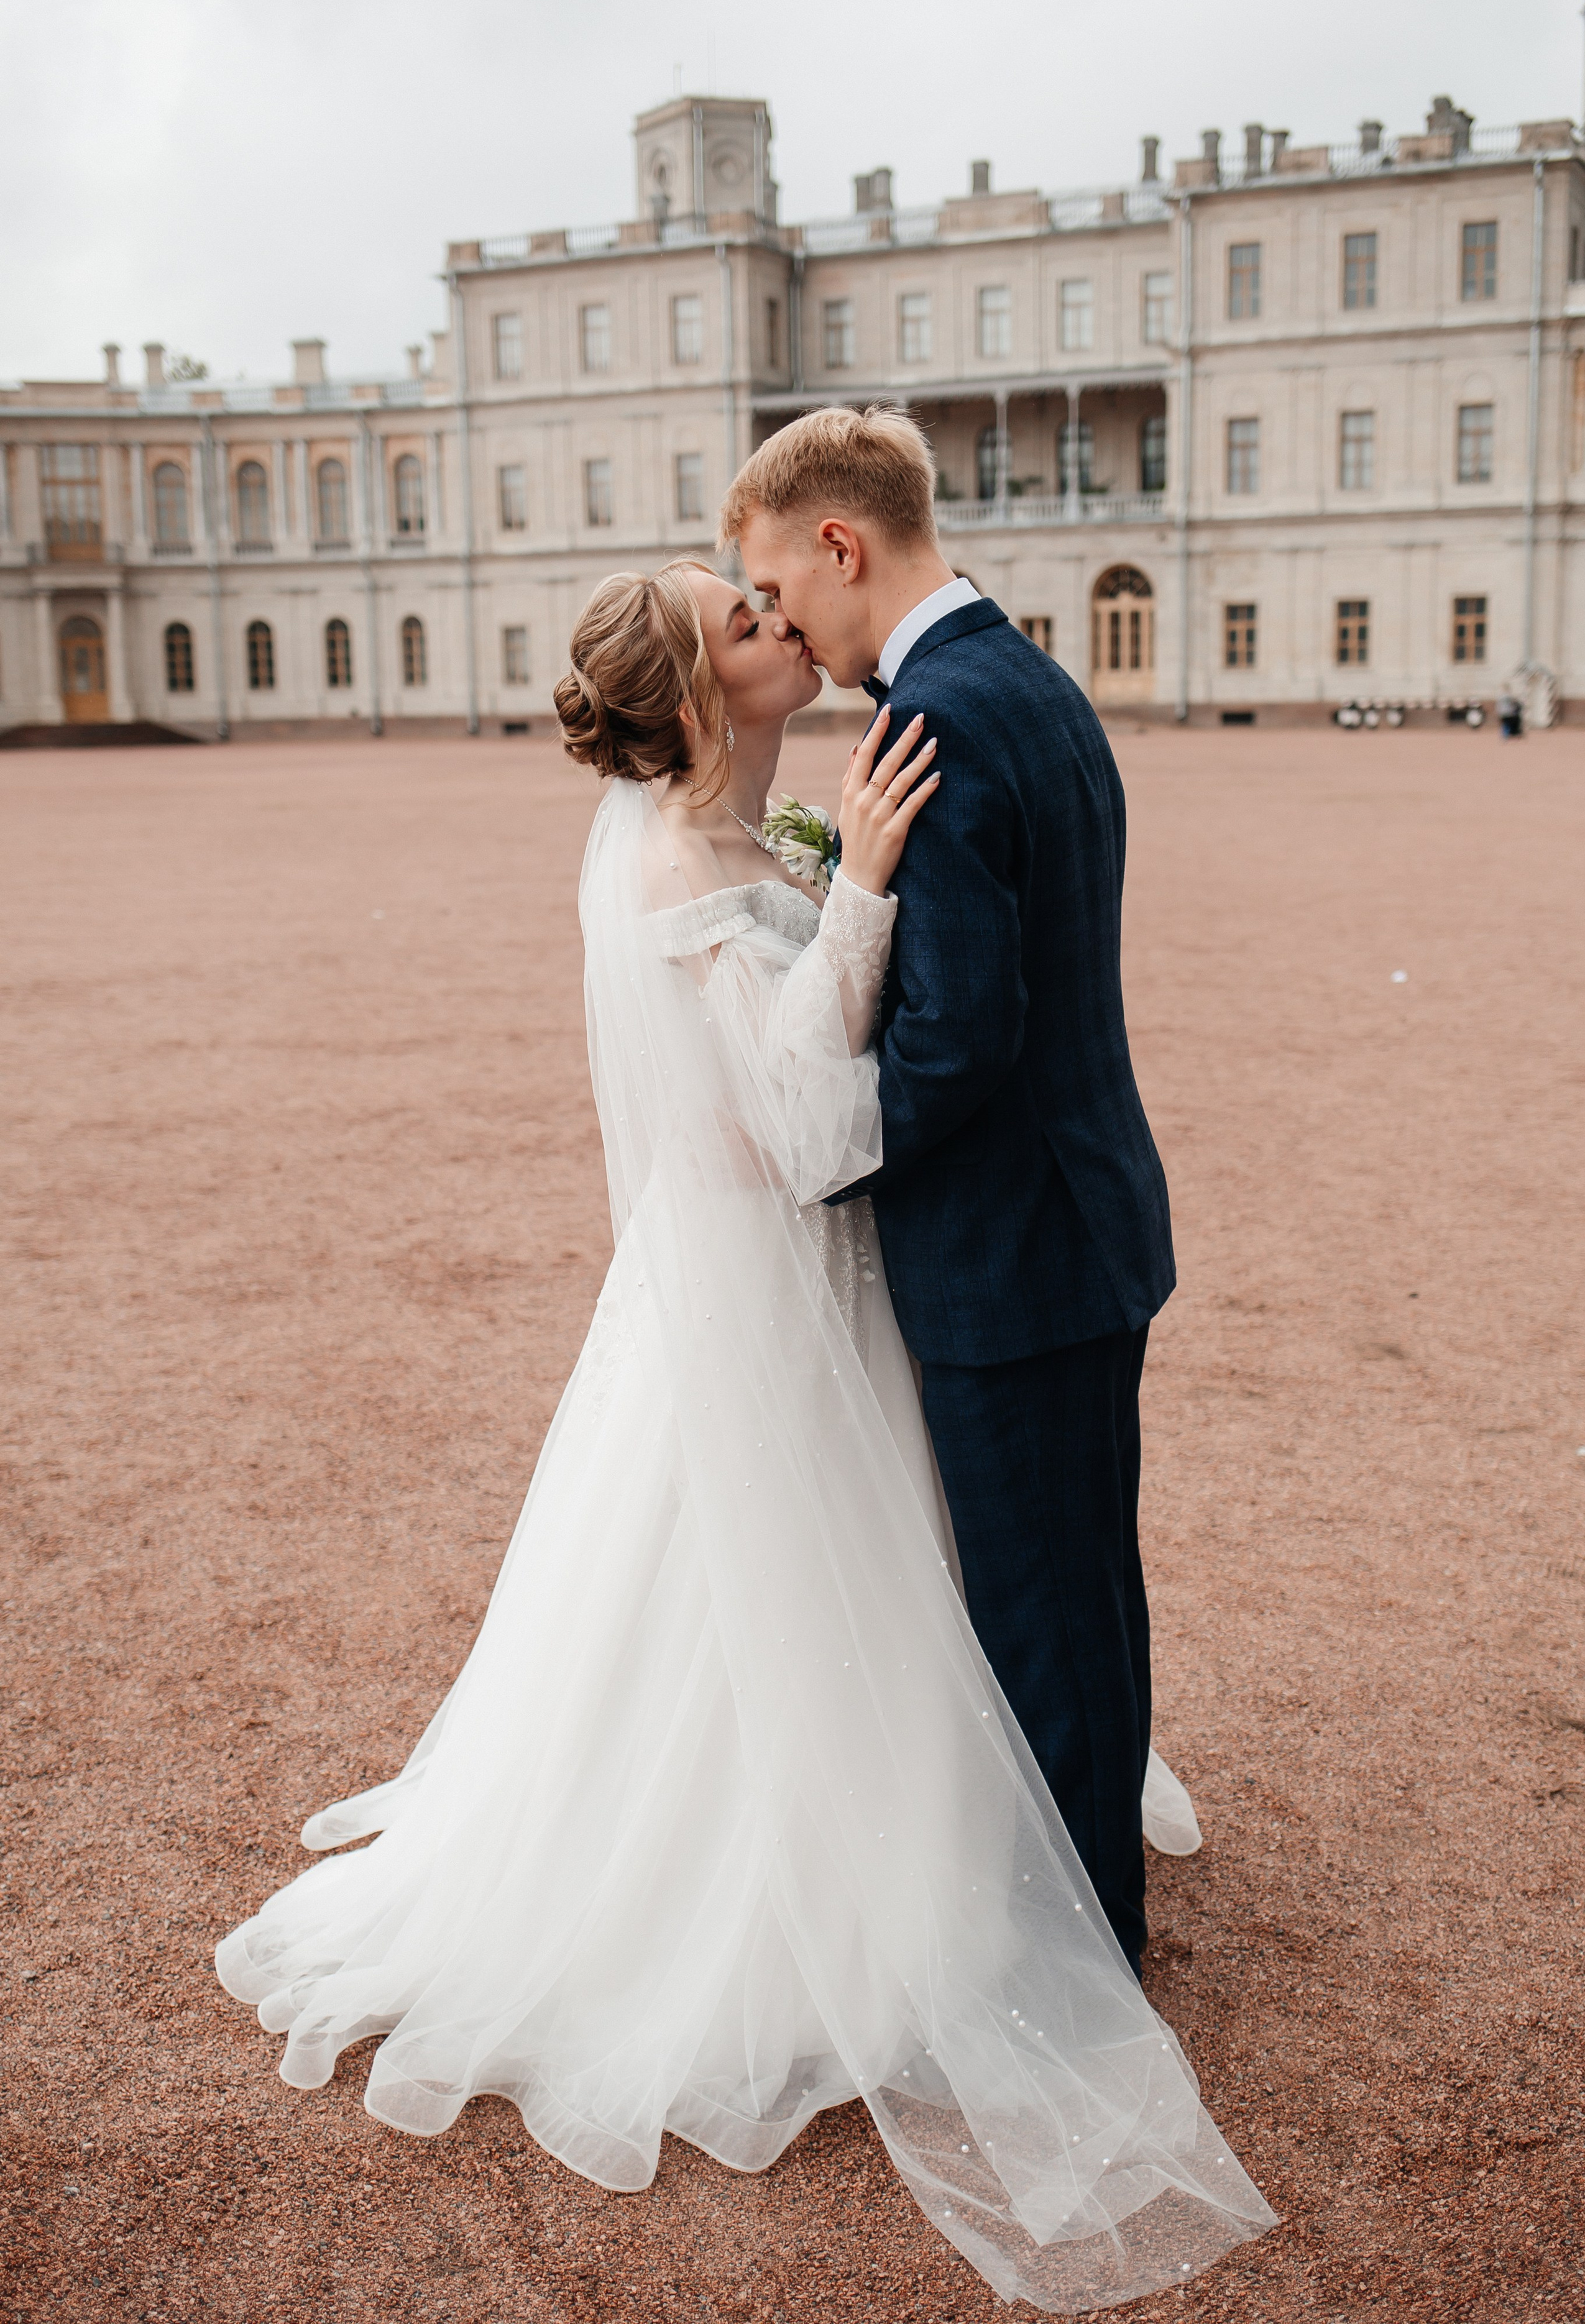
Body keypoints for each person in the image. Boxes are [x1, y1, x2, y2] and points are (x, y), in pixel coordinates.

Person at [217, 559, 1272, 2310]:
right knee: (767, 1573)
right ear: (701, 696)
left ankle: (945, 1819)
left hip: (804, 1278)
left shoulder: (743, 824)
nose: (787, 623)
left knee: (882, 1558)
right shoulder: (672, 861)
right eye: (746, 620)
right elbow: (781, 1136)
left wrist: (828, 872)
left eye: (775, 597)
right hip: (768, 1277)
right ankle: (816, 1895)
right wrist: (856, 893)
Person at [727, 407, 1175, 1975]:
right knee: (1084, 1585)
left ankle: (1081, 1957)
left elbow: (959, 1034)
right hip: (1080, 1218)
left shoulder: (933, 721)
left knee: (1039, 1612)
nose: (783, 623)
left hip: (1013, 1246)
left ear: (841, 545)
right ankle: (1098, 1889)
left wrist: (820, 1149)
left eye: (782, 590)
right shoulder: (1020, 678)